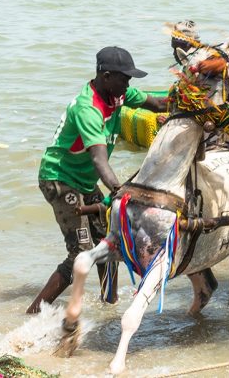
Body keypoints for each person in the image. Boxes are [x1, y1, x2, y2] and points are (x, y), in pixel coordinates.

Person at [27, 46, 167, 314]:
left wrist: (191, 97)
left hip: (84, 181)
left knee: (109, 242)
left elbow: (158, 103)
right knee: (80, 254)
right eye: (124, 78)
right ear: (105, 76)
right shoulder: (88, 109)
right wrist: (121, 191)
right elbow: (99, 161)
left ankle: (109, 304)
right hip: (60, 180)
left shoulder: (118, 94)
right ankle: (33, 314)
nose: (128, 84)